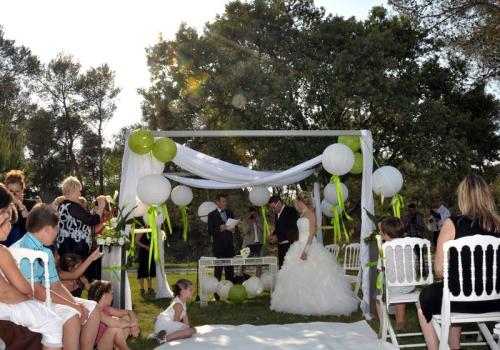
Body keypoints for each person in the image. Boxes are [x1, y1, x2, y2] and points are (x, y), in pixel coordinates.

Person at [417, 175, 500, 350]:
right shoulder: (498, 225)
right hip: (495, 299)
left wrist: (445, 276)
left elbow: (439, 270)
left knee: (425, 301)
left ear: (462, 196)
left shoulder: (452, 224)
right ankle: (455, 346)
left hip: (458, 299)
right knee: (449, 292)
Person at [12, 203, 101, 350]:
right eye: (57, 228)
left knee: (93, 308)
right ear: (47, 230)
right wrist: (74, 306)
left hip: (44, 298)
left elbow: (56, 285)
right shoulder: (23, 251)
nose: (58, 233)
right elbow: (38, 292)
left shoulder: (45, 251)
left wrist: (76, 304)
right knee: (72, 315)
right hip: (27, 302)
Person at [270, 192, 358, 316]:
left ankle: (318, 303)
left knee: (313, 275)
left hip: (308, 246)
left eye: (298, 202)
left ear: (302, 202)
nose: (297, 205)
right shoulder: (302, 214)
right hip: (298, 245)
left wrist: (306, 250)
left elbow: (311, 234)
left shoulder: (311, 214)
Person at [0, 183, 63, 350]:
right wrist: (27, 297)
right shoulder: (2, 251)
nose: (9, 217)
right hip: (4, 306)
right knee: (53, 321)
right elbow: (10, 291)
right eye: (6, 213)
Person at [56, 177, 105, 281]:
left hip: (67, 249)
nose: (79, 194)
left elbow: (83, 219)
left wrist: (94, 211)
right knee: (74, 283)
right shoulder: (72, 206)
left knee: (71, 282)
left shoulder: (63, 205)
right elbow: (92, 221)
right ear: (72, 190)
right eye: (78, 191)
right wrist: (101, 207)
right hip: (74, 253)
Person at [376, 216, 415, 332]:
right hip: (410, 286)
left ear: (386, 234)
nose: (380, 233)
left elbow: (380, 269)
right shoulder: (409, 244)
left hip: (394, 287)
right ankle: (400, 322)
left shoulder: (385, 247)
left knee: (376, 297)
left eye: (381, 231)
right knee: (401, 290)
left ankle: (383, 327)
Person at [88, 280, 139, 350]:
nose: (112, 295)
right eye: (111, 293)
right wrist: (132, 324)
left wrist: (134, 323)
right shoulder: (95, 310)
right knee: (114, 328)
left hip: (106, 343)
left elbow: (129, 312)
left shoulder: (106, 309)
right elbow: (114, 323)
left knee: (126, 317)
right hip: (95, 348)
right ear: (105, 296)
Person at [0, 170, 37, 246]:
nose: (14, 194)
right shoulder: (4, 204)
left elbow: (33, 224)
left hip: (25, 243)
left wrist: (19, 205)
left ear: (22, 190)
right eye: (11, 191)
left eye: (17, 191)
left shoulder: (31, 204)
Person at [154, 279, 196, 344]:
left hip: (167, 324)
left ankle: (164, 337)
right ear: (182, 291)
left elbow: (185, 317)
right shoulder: (179, 304)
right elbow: (176, 320)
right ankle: (164, 339)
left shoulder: (182, 302)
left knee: (191, 331)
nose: (192, 291)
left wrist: (187, 328)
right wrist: (186, 330)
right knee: (190, 332)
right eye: (190, 290)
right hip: (164, 324)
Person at [207, 194, 236, 285]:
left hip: (229, 247)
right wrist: (220, 228)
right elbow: (210, 231)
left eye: (226, 201)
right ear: (217, 202)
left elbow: (235, 228)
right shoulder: (211, 215)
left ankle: (230, 291)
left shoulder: (230, 213)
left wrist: (233, 229)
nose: (225, 203)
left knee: (230, 270)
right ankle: (217, 294)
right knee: (218, 271)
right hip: (218, 247)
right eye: (223, 201)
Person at [268, 195, 299, 269]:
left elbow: (293, 229)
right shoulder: (277, 214)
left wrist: (277, 237)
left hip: (289, 246)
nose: (273, 210)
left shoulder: (290, 211)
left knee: (289, 269)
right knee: (282, 268)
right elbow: (278, 228)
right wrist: (273, 235)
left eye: (273, 207)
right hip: (281, 247)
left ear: (278, 203)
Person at [135, 229, 156, 295]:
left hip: (150, 253)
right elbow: (136, 241)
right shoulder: (141, 229)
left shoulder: (152, 229)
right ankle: (142, 289)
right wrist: (144, 246)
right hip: (143, 253)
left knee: (149, 269)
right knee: (142, 270)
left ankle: (150, 288)